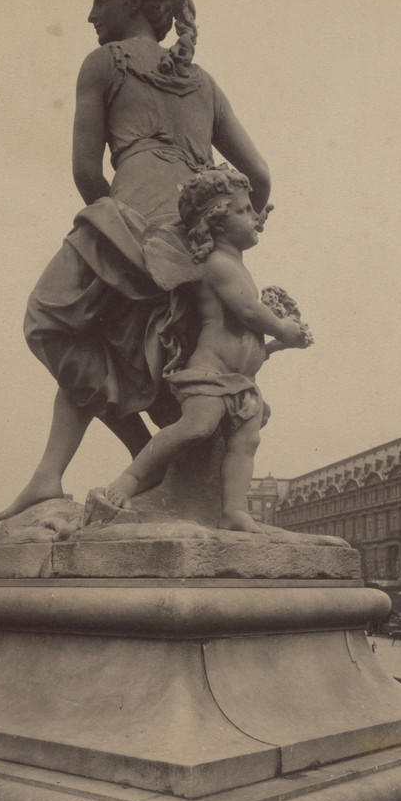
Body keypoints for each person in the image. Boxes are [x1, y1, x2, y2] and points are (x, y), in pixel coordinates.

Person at [0, 0, 270, 524]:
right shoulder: (203, 82)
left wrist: (113, 229)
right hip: (195, 240)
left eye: (102, 1)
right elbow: (259, 176)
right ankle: (54, 474)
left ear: (134, 6)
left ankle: (130, 461)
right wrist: (232, 243)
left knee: (53, 321)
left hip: (132, 219)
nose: (92, 15)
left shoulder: (104, 63)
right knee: (119, 348)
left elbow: (86, 172)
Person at [87, 165, 308, 533]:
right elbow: (250, 312)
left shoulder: (237, 265)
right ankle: (128, 480)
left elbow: (246, 336)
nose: (254, 217)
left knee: (247, 441)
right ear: (215, 221)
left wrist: (277, 346)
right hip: (211, 375)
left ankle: (234, 511)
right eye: (243, 211)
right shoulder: (219, 265)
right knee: (195, 428)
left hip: (242, 382)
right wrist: (284, 325)